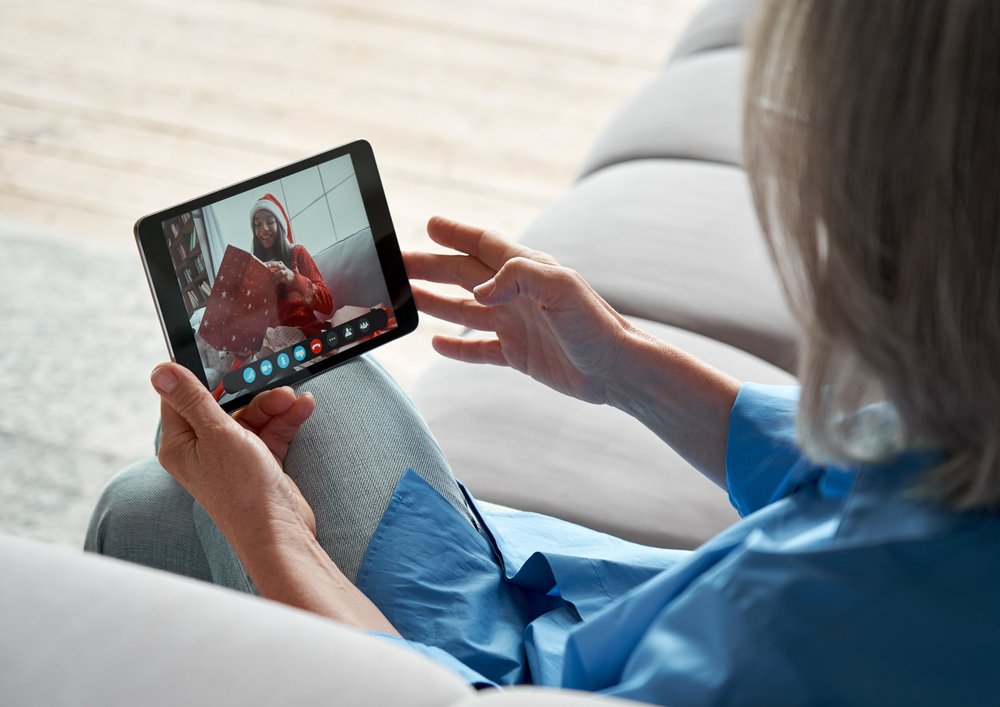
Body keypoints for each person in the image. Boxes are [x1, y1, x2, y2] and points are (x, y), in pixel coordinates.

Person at [86, 1, 1000, 704]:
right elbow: (859, 466)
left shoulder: (817, 623)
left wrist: (270, 528)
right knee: (154, 510)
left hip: (495, 675)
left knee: (272, 428)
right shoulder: (970, 436)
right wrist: (621, 361)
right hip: (596, 619)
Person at [250, 193, 334, 339]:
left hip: (305, 334)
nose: (263, 228)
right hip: (269, 343)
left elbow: (327, 305)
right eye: (257, 224)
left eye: (269, 221)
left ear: (280, 224)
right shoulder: (253, 269)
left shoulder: (297, 253)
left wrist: (294, 279)